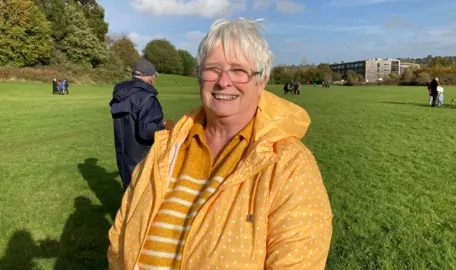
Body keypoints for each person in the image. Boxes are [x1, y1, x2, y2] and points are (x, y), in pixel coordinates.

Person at [108, 18, 333, 270]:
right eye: (213, 68)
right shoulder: (163, 149)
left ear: (262, 80)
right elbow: (120, 238)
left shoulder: (290, 166)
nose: (223, 81)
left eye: (239, 70)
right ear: (199, 75)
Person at [109, 59, 168, 190]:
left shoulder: (120, 96)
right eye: (154, 77)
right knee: (142, 197)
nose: (154, 80)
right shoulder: (147, 98)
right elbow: (147, 131)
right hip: (142, 156)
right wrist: (163, 128)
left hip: (124, 154)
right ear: (150, 78)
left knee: (128, 191)